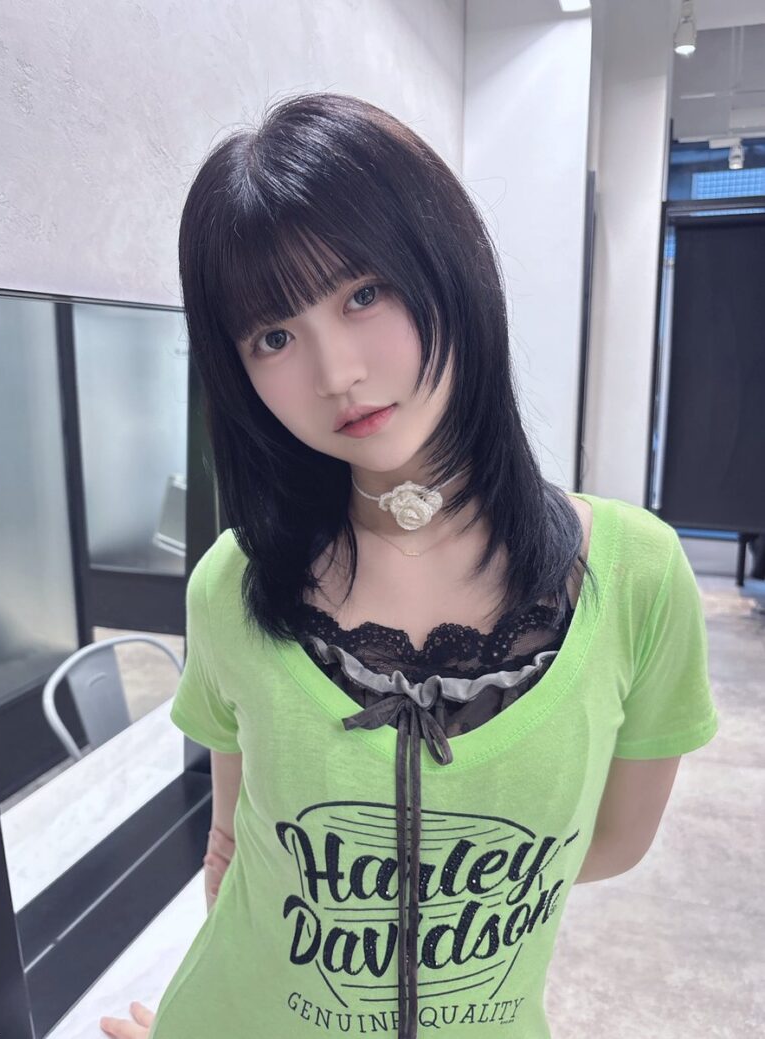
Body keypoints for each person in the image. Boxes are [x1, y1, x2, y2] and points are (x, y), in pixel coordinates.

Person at [100, 92, 718, 1039]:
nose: (335, 372)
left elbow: (611, 842)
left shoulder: (637, 575)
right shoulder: (233, 583)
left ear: (448, 265)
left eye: (362, 294)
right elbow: (234, 841)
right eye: (274, 336)